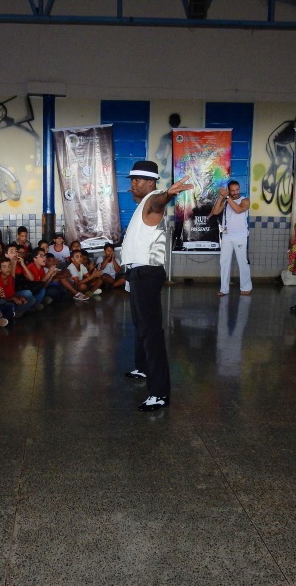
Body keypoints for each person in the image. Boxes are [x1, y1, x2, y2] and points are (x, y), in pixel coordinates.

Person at [121, 160, 191, 411]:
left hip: (146, 274)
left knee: (152, 332)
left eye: (137, 180)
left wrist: (168, 194)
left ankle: (160, 393)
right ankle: (142, 367)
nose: (132, 185)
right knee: (141, 325)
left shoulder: (153, 200)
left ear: (150, 182)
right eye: (131, 180)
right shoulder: (143, 203)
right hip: (137, 272)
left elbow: (159, 201)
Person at [209, 180, 252, 296]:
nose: (235, 192)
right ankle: (224, 289)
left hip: (240, 236)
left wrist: (227, 197)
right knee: (224, 262)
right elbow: (215, 211)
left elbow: (238, 210)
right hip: (227, 236)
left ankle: (246, 286)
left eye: (237, 189)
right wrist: (220, 197)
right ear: (229, 190)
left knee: (242, 261)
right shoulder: (226, 201)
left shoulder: (245, 200)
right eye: (232, 190)